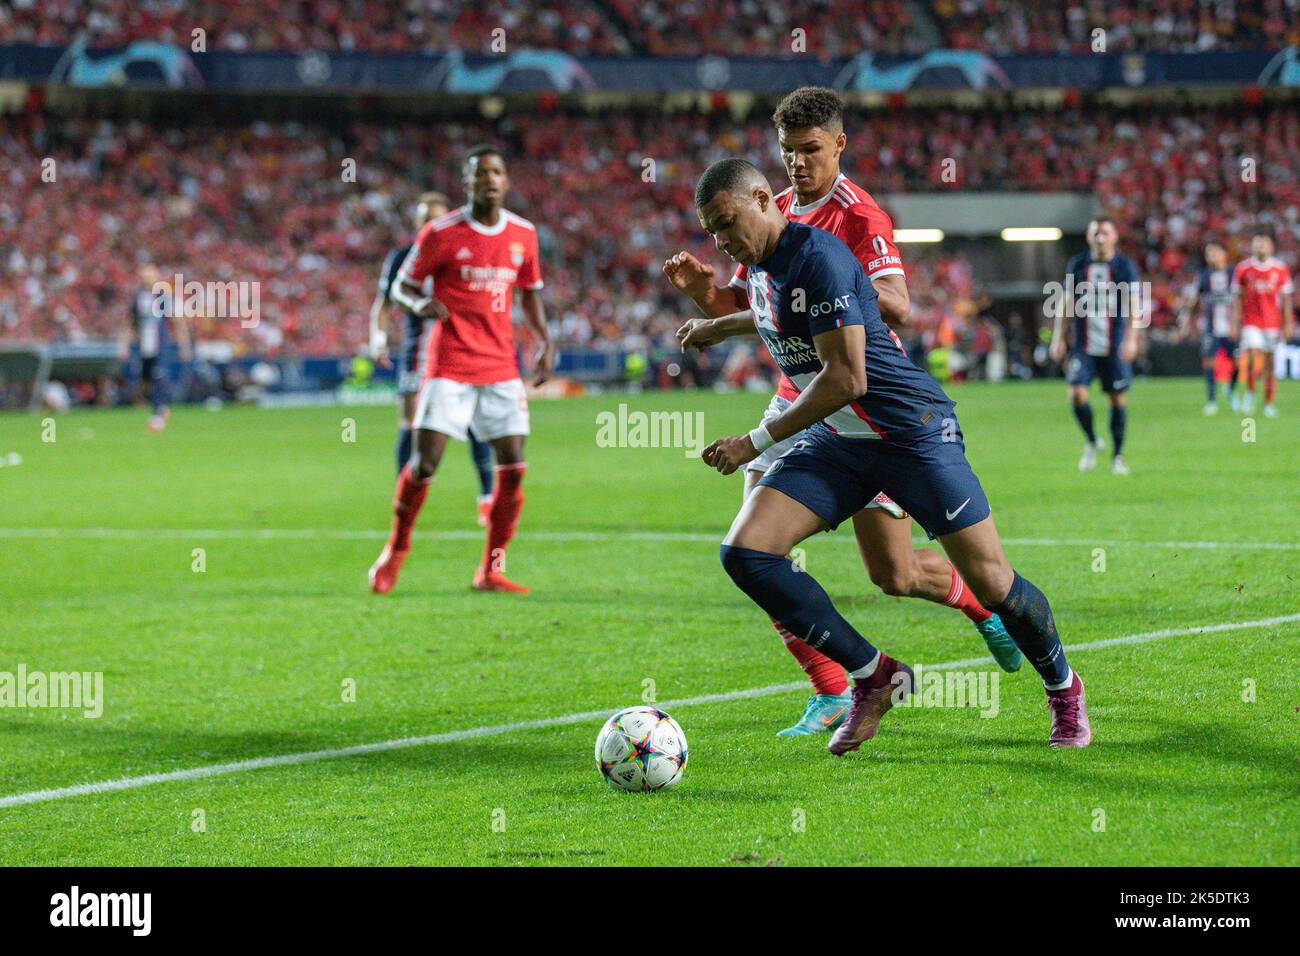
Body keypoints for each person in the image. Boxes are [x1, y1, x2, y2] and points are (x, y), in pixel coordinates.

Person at [693, 158, 1091, 752]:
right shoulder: (757, 266)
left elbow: (846, 379)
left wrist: (752, 442)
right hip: (839, 443)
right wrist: (720, 326)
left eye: (728, 224)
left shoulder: (820, 256)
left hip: (911, 435)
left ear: (761, 199)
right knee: (748, 553)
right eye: (713, 232)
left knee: (993, 582)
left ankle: (1064, 689)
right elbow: (776, 315)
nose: (723, 242)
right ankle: (874, 675)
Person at [665, 87, 1019, 739]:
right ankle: (833, 686)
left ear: (837, 146)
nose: (797, 165)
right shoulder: (771, 212)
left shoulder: (858, 216)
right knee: (752, 544)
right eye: (787, 153)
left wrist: (838, 284)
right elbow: (767, 311)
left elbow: (900, 303)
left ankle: (982, 606)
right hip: (797, 395)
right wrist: (709, 303)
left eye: (809, 151)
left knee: (895, 572)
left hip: (861, 397)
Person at [368, 146, 554, 595]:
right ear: (466, 182)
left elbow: (529, 293)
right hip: (448, 365)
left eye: (496, 171)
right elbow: (401, 288)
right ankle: (395, 550)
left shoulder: (523, 234)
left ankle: (490, 568)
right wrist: (420, 304)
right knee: (424, 462)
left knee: (513, 467)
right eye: (479, 173)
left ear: (506, 180)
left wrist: (545, 340)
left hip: (500, 367)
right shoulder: (441, 233)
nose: (489, 179)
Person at [371, 190, 495, 524]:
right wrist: (378, 339)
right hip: (417, 351)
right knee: (410, 423)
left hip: (459, 348)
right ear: (417, 222)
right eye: (426, 218)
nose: (432, 224)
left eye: (437, 217)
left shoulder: (462, 252)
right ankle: (404, 500)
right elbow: (383, 304)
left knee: (474, 424)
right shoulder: (401, 257)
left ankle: (487, 496)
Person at [1049, 218, 1142, 475]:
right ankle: (1092, 441)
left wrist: (1133, 338)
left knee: (1117, 400)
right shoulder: (1078, 264)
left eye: (1105, 233)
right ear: (1089, 237)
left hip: (1115, 345)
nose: (1100, 238)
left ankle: (1118, 456)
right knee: (1077, 394)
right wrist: (1058, 337)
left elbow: (1135, 304)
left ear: (1114, 237)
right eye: (1095, 233)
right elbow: (1066, 301)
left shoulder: (1124, 266)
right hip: (1083, 345)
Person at [1231, 231, 1293, 417]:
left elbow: (1286, 299)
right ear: (1252, 246)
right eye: (1257, 244)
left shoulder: (1280, 269)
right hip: (1251, 321)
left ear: (1271, 247)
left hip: (1272, 323)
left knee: (1270, 365)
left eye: (1264, 244)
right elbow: (1237, 298)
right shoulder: (1243, 269)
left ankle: (1268, 403)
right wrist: (1235, 322)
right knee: (1250, 356)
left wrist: (1288, 324)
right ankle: (1250, 392)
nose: (1260, 247)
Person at [126, 265, 190, 433]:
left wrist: (184, 346)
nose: (146, 279)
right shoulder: (138, 297)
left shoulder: (165, 296)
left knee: (159, 376)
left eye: (149, 275)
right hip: (143, 346)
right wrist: (124, 345)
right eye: (144, 276)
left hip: (161, 345)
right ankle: (160, 409)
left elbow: (178, 321)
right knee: (145, 381)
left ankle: (157, 414)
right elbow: (130, 323)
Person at [1179, 240, 1238, 415]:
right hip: (1211, 328)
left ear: (1223, 254)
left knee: (1237, 364)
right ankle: (1212, 401)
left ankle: (1231, 390)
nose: (1210, 257)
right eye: (1207, 254)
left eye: (1213, 253)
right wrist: (1186, 323)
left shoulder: (1234, 273)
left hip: (1232, 327)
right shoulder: (1204, 276)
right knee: (1209, 362)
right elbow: (1194, 301)